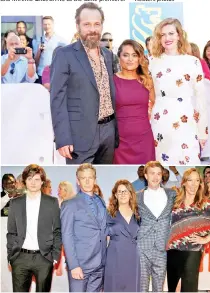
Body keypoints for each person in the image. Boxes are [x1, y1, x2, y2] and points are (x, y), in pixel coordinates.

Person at [50, 3, 119, 164]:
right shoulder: (64, 54)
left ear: (102, 25)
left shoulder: (108, 55)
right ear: (78, 26)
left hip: (109, 132)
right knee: (80, 181)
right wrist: (62, 137)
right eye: (86, 24)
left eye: (96, 24)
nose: (92, 29)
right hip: (79, 134)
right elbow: (57, 99)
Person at [150, 18, 208, 165]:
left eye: (171, 33)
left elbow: (201, 98)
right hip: (160, 120)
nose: (167, 38)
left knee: (188, 160)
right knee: (161, 162)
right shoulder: (151, 62)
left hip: (186, 119)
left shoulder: (193, 62)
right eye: (162, 35)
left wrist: (203, 131)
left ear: (179, 35)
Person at [167, 168, 210, 292]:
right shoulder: (175, 202)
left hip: (192, 250)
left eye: (197, 180)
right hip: (173, 250)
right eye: (190, 180)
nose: (194, 184)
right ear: (184, 182)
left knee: (188, 288)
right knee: (173, 288)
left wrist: (206, 239)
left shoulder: (204, 204)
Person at [6, 164, 61, 292]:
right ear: (24, 180)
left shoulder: (52, 202)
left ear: (42, 181)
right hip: (20, 258)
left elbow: (57, 231)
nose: (33, 183)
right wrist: (11, 256)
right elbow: (11, 232)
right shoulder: (15, 203)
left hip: (44, 258)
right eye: (30, 179)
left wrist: (54, 257)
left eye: (37, 179)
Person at [60, 163, 107, 292]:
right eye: (83, 178)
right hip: (80, 265)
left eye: (90, 177)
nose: (87, 181)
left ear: (95, 179)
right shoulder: (69, 204)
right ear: (78, 181)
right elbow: (66, 235)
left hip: (100, 264)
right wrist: (74, 265)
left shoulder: (101, 201)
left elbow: (103, 229)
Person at [113, 39, 155, 164]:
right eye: (126, 55)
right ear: (119, 58)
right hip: (120, 141)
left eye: (134, 55)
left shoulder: (147, 80)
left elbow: (155, 103)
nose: (130, 59)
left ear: (140, 58)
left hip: (144, 139)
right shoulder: (112, 81)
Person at [136, 161, 176, 292]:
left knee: (158, 287)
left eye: (158, 173)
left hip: (162, 247)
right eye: (152, 173)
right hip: (142, 247)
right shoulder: (137, 196)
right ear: (146, 175)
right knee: (142, 287)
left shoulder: (172, 194)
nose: (155, 177)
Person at [104, 180, 141, 292]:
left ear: (130, 194)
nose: (123, 194)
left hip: (134, 258)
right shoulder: (109, 213)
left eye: (125, 191)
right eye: (119, 192)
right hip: (115, 257)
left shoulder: (138, 213)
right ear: (115, 195)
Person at [34, 16, 66, 84]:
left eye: (49, 24)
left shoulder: (61, 41)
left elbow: (66, 58)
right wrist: (39, 51)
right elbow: (35, 60)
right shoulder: (38, 40)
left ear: (53, 24)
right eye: (45, 24)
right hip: (41, 73)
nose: (47, 26)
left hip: (56, 73)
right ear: (42, 25)